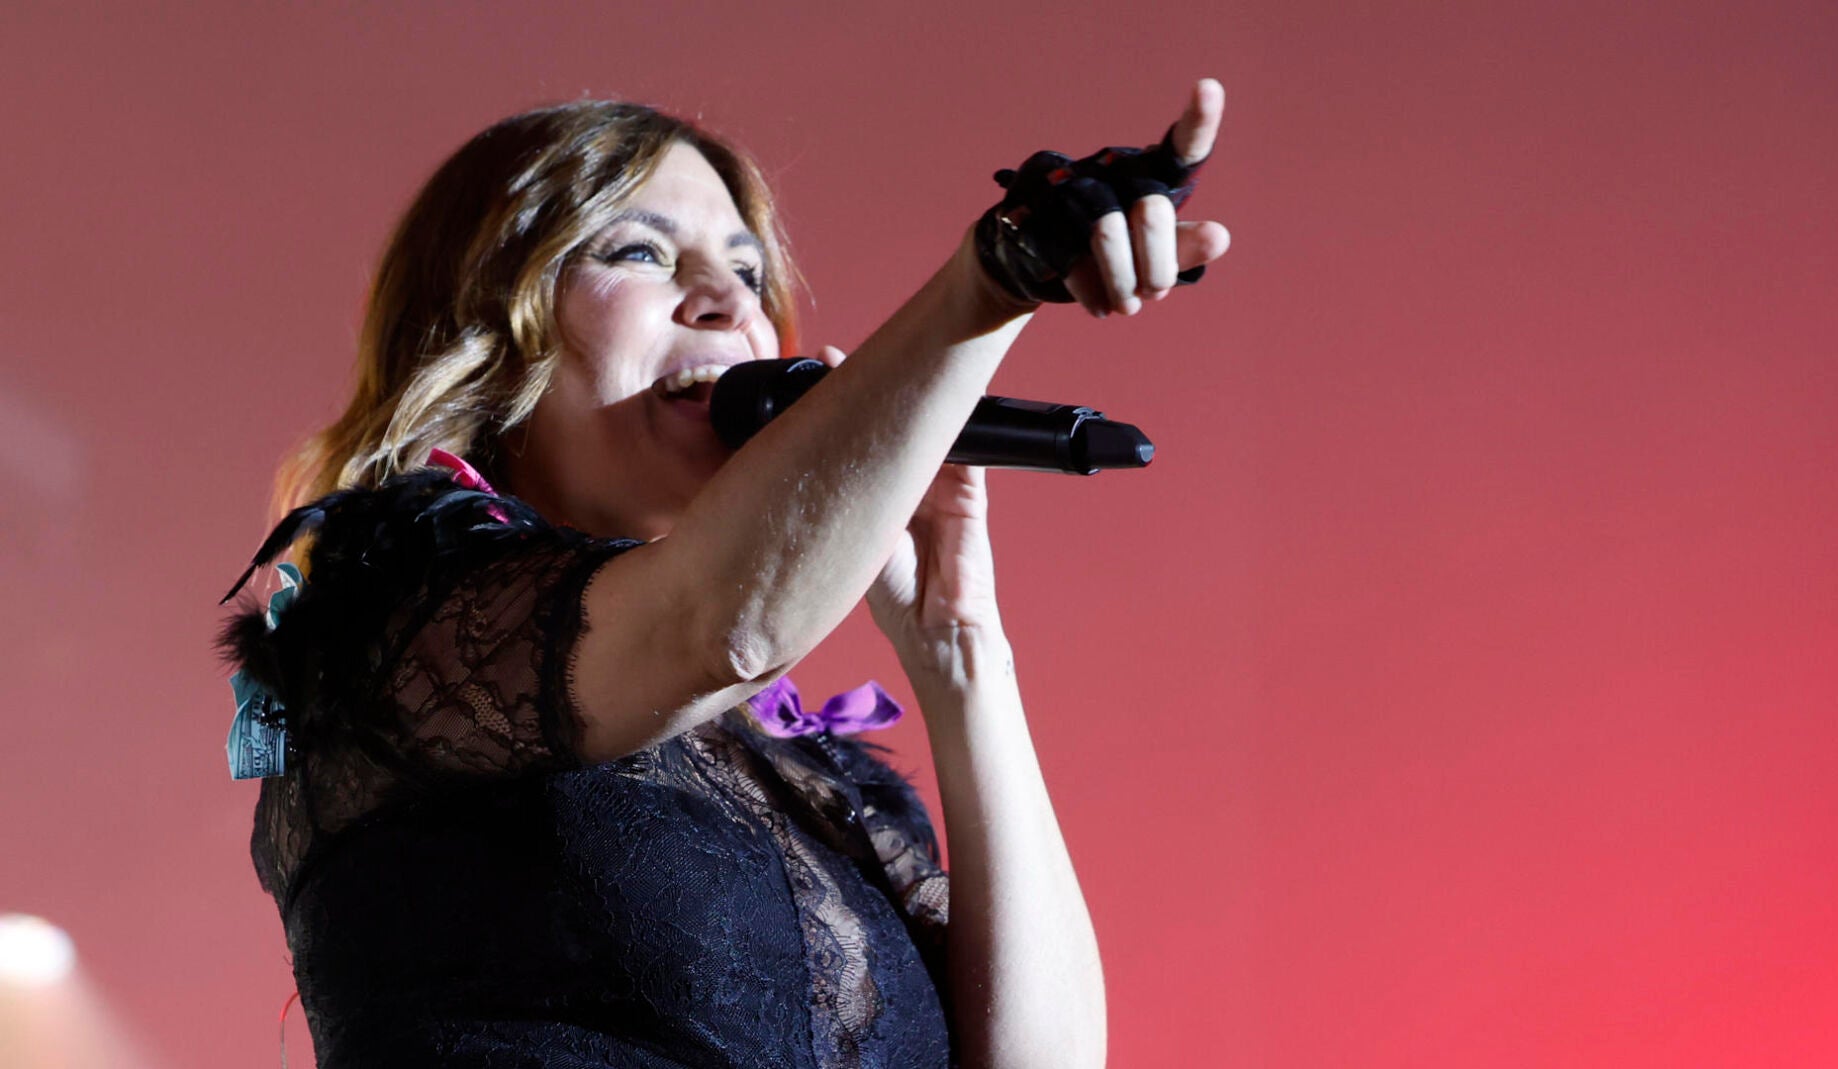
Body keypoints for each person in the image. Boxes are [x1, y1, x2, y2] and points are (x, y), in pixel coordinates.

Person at [220, 80, 1229, 1068]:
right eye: (639, 252)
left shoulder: (820, 785)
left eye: (748, 273)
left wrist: (961, 654)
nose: (727, 301)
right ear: (487, 325)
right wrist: (992, 281)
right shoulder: (379, 606)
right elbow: (724, 629)